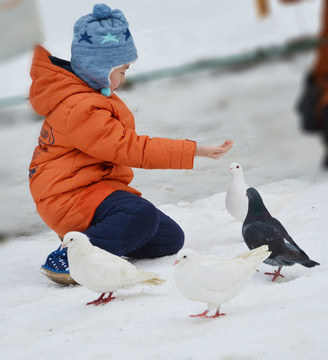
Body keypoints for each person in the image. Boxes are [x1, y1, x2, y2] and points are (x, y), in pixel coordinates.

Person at [28, 4, 234, 285]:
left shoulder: (90, 95)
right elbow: (130, 148)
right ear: (101, 69)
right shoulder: (80, 107)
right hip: (69, 196)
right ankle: (71, 258)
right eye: (122, 70)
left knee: (169, 239)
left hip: (93, 189)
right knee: (140, 214)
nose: (125, 78)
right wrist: (194, 150)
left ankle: (100, 248)